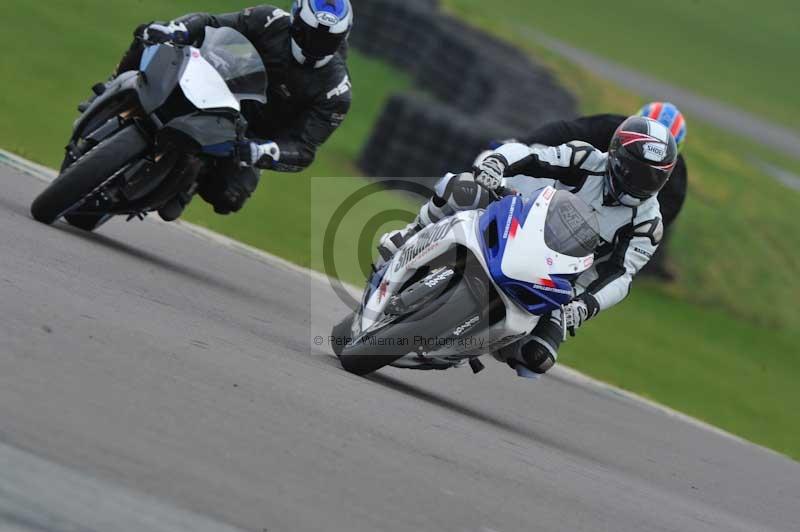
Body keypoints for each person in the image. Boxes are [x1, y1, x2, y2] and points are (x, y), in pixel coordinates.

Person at [377, 116, 678, 376]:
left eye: (654, 177)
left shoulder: (648, 224)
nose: (641, 182)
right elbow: (532, 156)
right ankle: (412, 234)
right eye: (635, 170)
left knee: (537, 358)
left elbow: (621, 276)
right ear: (615, 156)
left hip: (560, 278)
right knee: (464, 186)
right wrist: (498, 163)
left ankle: (470, 346)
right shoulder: (585, 158)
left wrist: (584, 306)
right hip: (522, 224)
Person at [89, 1, 354, 220]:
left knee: (229, 196)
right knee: (150, 32)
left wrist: (265, 151)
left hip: (250, 134)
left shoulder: (336, 90)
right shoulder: (270, 20)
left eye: (326, 41)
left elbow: (304, 148)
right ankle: (112, 87)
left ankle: (191, 181)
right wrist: (177, 29)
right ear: (295, 22)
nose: (315, 45)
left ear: (342, 38)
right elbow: (212, 22)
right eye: (309, 34)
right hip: (223, 83)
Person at [515, 102, 688, 279]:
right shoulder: (608, 127)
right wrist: (521, 144)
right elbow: (567, 131)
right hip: (570, 196)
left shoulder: (675, 186)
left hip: (603, 236)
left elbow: (652, 229)